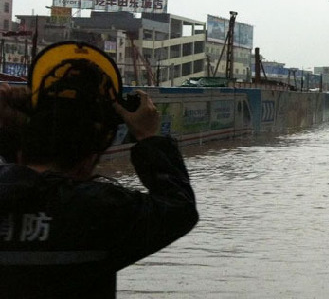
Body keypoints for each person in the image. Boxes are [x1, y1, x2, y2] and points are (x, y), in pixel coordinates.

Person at [0, 41, 199, 298]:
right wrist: (148, 137)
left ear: (22, 148)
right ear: (89, 159)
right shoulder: (97, 211)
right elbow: (179, 209)